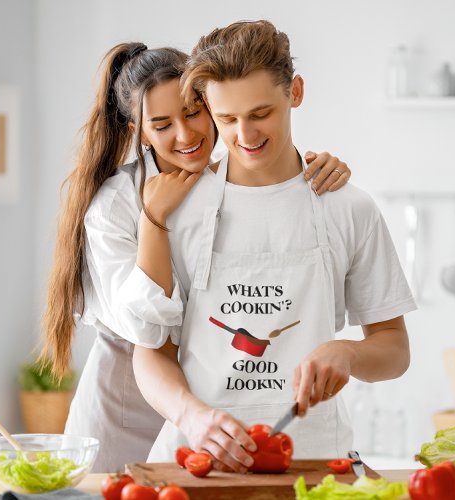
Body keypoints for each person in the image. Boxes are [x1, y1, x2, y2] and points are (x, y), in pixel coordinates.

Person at [40, 41, 351, 472]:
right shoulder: (116, 206)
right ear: (138, 131)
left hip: (209, 405)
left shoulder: (231, 177)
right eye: (162, 124)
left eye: (192, 112)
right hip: (127, 404)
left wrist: (316, 169)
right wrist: (153, 218)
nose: (185, 136)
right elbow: (142, 329)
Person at [132, 20, 416, 473]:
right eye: (226, 119)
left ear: (295, 92)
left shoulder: (349, 208)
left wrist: (349, 353)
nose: (245, 136)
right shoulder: (178, 209)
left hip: (316, 461)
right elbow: (149, 351)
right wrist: (192, 416)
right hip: (197, 463)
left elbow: (394, 348)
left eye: (261, 113)